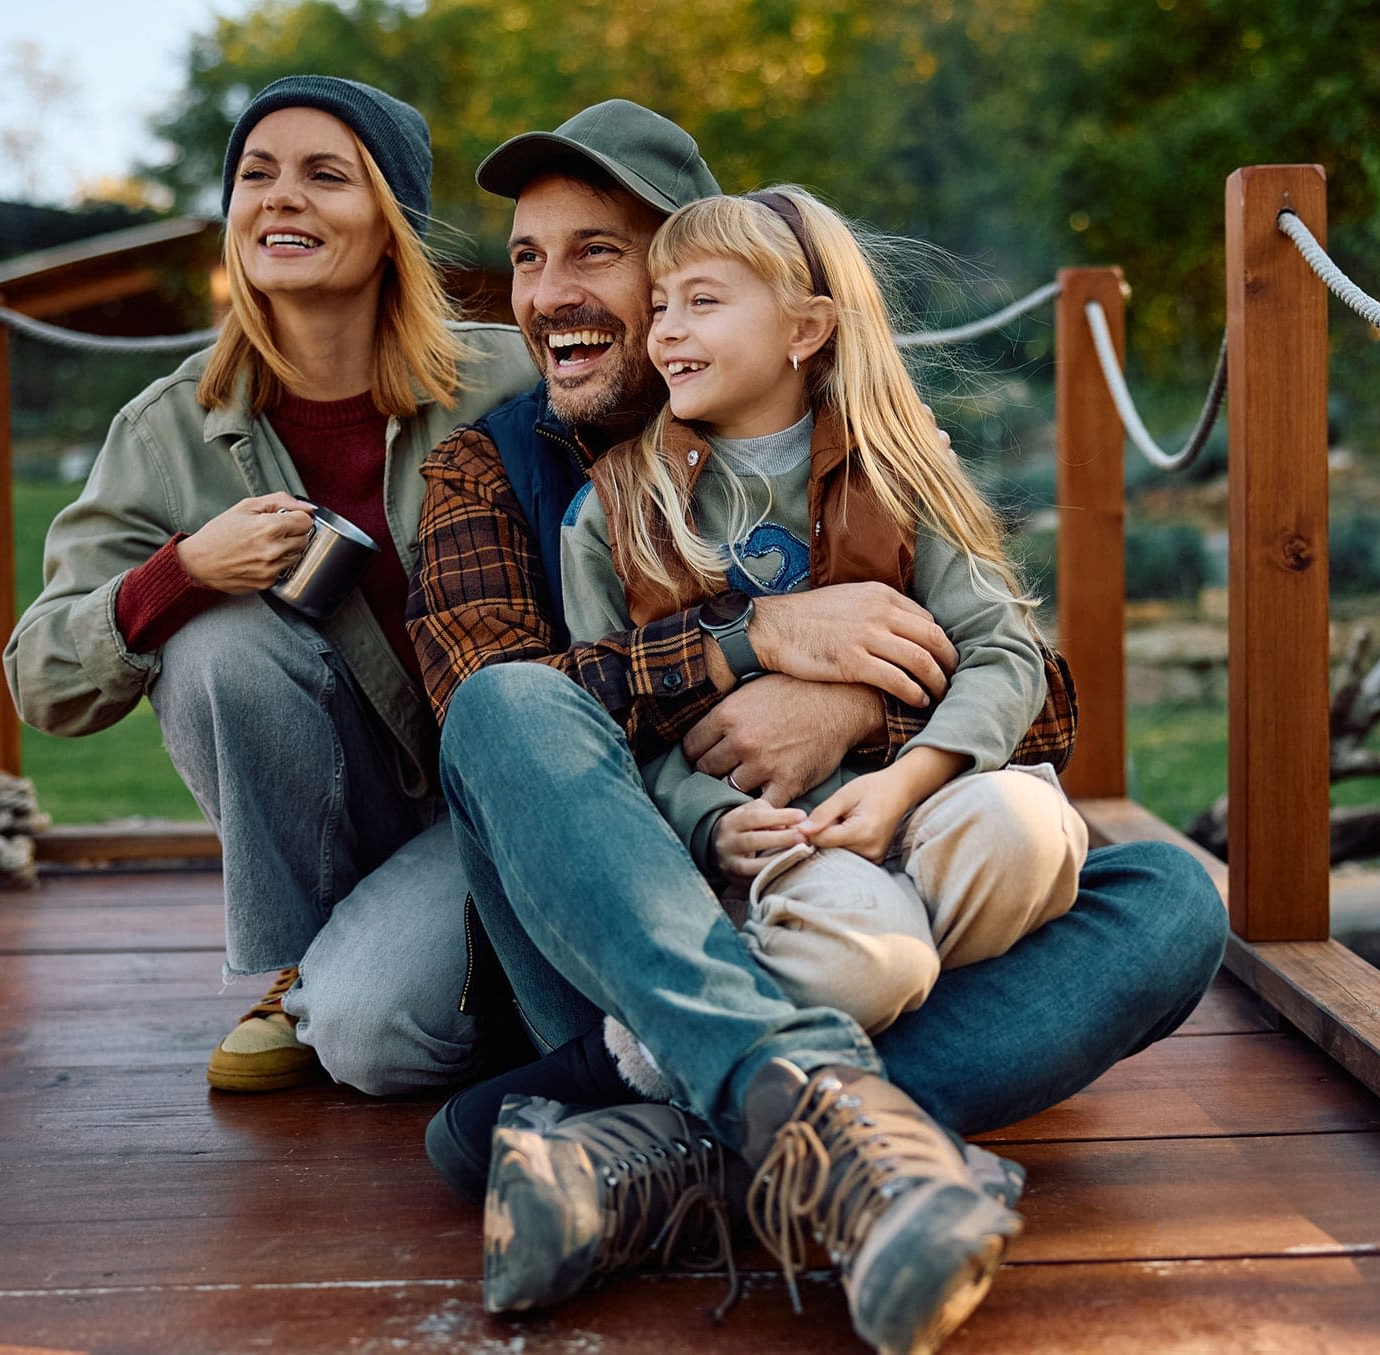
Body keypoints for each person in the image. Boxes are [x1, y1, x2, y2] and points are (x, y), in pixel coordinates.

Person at [407, 101, 1226, 1354]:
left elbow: (1042, 698)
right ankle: (830, 1120)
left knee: (1171, 899)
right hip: (645, 927)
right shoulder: (493, 471)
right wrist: (757, 640)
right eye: (526, 256)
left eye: (599, 254)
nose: (550, 292)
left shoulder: (872, 454)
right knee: (509, 705)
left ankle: (669, 1154)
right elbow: (518, 721)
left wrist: (853, 689)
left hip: (860, 878)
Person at [4, 75, 535, 1097]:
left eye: (324, 176)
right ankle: (312, 972)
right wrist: (182, 571)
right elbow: (41, 679)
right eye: (256, 175)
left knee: (382, 1029)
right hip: (361, 812)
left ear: (391, 228)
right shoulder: (164, 432)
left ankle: (468, 977)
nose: (279, 197)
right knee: (215, 642)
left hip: (513, 789)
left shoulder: (507, 382)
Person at [559, 187, 1088, 1068]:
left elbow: (1003, 651)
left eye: (704, 301)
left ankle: (820, 1036)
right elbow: (604, 715)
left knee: (1027, 827)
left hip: (917, 803)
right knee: (870, 962)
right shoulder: (615, 508)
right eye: (660, 306)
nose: (668, 330)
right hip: (785, 845)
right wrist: (703, 821)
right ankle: (696, 1035)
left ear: (804, 330)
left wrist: (903, 785)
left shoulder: (897, 471)